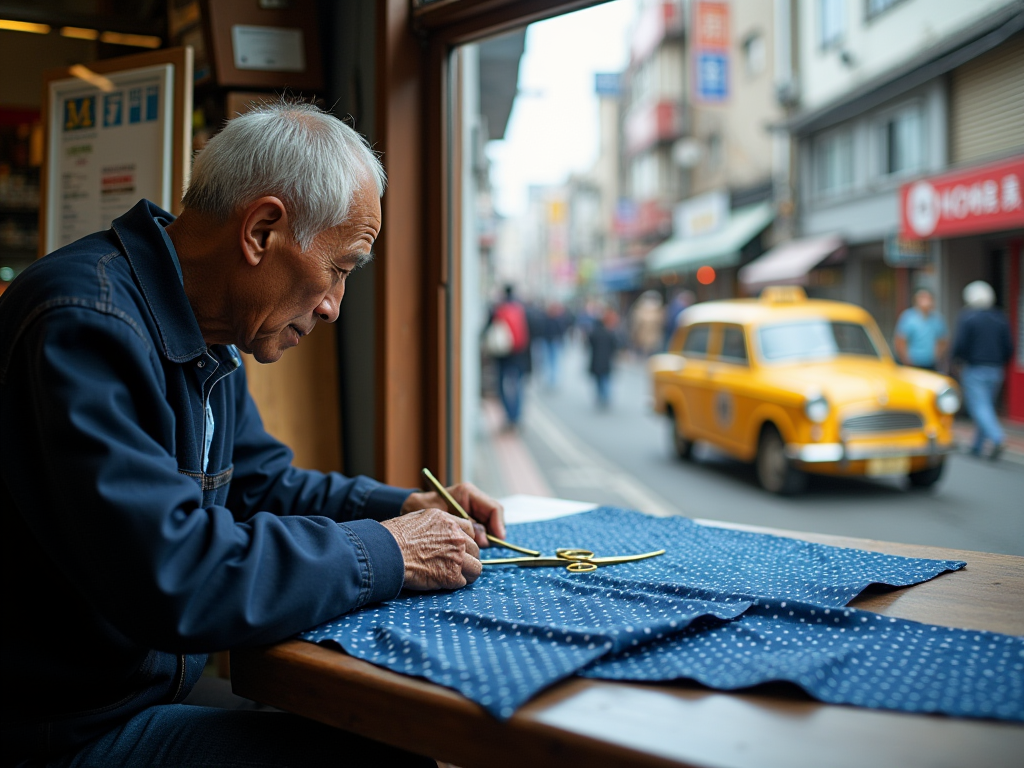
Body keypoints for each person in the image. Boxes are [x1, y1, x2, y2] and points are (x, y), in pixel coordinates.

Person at [0, 102, 505, 767]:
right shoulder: (82, 325)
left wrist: (405, 511)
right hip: (63, 731)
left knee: (392, 736)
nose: (331, 305)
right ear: (263, 229)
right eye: (342, 269)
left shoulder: (206, 329)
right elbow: (176, 576)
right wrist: (389, 553)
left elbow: (263, 486)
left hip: (138, 694)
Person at [952, 280, 1014, 460]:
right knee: (985, 406)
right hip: (996, 369)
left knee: (979, 407)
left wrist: (955, 361)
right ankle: (977, 446)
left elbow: (960, 345)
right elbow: (1009, 347)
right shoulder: (1000, 317)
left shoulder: (968, 317)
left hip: (975, 368)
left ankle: (997, 437)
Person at [486, 285, 530, 429]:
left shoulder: (498, 308)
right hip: (518, 353)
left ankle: (509, 416)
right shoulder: (521, 309)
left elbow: (489, 329)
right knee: (517, 385)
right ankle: (516, 416)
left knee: (501, 386)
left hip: (502, 354)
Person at [894, 288, 948, 371]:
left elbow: (942, 340)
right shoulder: (908, 317)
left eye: (928, 298)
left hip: (930, 364)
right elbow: (900, 341)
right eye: (922, 298)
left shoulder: (937, 319)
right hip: (912, 364)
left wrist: (937, 357)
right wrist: (906, 360)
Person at [588, 307, 621, 409]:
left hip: (597, 360)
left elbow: (590, 342)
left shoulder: (596, 330)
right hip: (606, 360)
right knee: (605, 379)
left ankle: (602, 396)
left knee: (600, 379)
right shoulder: (611, 332)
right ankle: (605, 397)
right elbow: (616, 345)